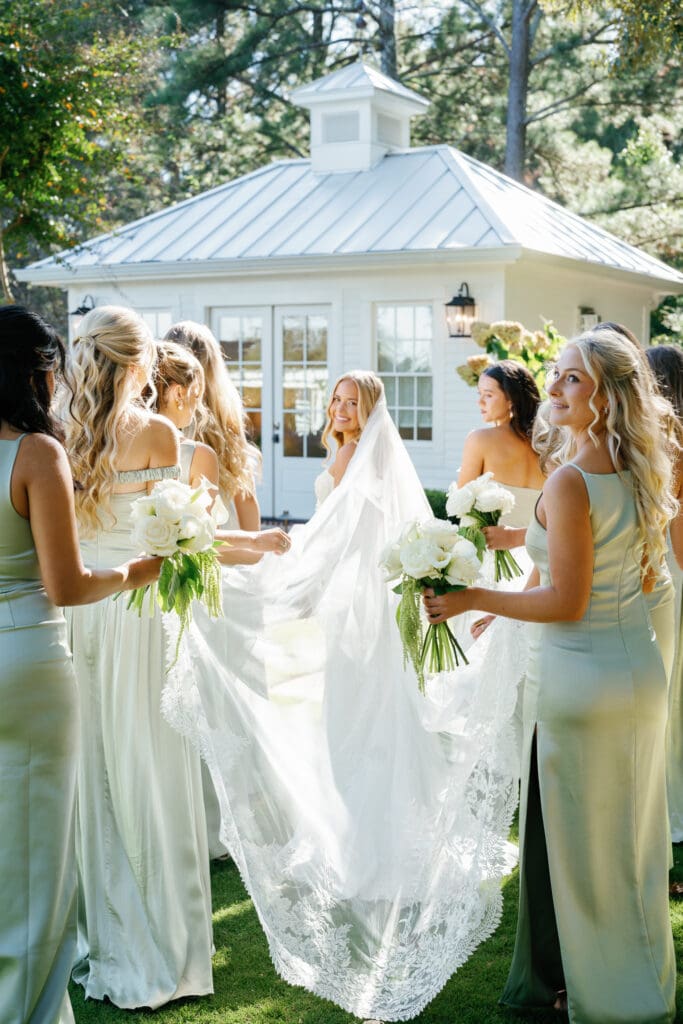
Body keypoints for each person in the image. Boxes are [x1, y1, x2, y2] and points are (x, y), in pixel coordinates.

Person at [161, 370, 525, 1022]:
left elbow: (355, 540)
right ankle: (353, 827)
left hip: (357, 610)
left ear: (371, 409)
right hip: (338, 608)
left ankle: (370, 843)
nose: (339, 408)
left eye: (351, 401)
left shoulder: (368, 457)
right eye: (335, 399)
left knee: (362, 723)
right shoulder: (344, 452)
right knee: (343, 725)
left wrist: (290, 576)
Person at [425, 329, 677, 1023]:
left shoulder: (569, 480)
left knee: (586, 856)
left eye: (571, 378)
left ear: (605, 395)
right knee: (630, 843)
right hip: (638, 673)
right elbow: (602, 571)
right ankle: (641, 988)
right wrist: (508, 605)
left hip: (580, 682)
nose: (556, 387)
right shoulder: (640, 469)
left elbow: (566, 601)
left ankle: (608, 1000)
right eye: (557, 375)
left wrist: (474, 597)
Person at [0, 306, 161, 1024]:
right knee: (39, 864)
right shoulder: (35, 452)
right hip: (29, 660)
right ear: (36, 370)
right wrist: (135, 571)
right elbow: (67, 585)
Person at [63, 306, 214, 1009]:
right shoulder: (156, 431)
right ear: (136, 362)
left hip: (78, 610)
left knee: (94, 774)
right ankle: (169, 949)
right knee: (151, 768)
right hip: (139, 606)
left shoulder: (57, 432)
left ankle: (113, 940)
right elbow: (177, 531)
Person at [153, 339, 290, 564]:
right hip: (200, 574)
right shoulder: (200, 454)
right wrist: (253, 542)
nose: (197, 404)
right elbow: (201, 538)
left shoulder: (115, 449)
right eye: (195, 394)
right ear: (179, 393)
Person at [458, 361, 544, 640]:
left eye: (488, 394)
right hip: (538, 562)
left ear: (511, 399)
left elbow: (462, 507)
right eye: (478, 393)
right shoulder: (547, 446)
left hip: (492, 560)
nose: (479, 401)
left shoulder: (479, 440)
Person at [163, 320, 261, 531]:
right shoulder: (227, 420)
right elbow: (246, 499)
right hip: (227, 537)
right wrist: (254, 548)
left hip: (183, 540)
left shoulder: (159, 424)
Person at [646, 344, 683, 844]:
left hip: (666, 569)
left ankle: (667, 807)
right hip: (663, 566)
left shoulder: (667, 445)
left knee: (668, 691)